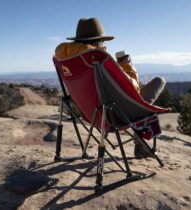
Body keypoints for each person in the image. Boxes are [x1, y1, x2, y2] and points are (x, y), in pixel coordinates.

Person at [55, 17, 166, 158]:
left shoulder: (66, 58)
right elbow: (132, 88)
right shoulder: (96, 57)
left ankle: (140, 144)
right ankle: (140, 145)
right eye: (103, 41)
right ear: (98, 41)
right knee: (159, 81)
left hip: (90, 114)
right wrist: (127, 65)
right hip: (115, 115)